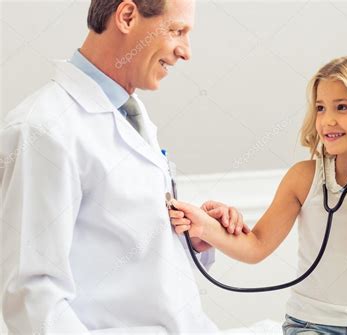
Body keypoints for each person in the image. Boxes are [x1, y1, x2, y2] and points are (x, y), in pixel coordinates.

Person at [0, 0, 249, 333]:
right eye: (177, 31)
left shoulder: (130, 112)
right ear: (128, 16)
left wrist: (195, 238)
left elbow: (118, 246)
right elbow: (32, 295)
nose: (186, 52)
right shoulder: (43, 129)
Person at [169, 53, 347, 334]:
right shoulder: (304, 177)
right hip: (312, 324)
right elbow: (256, 246)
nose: (327, 120)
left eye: (343, 107)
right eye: (321, 108)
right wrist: (206, 226)